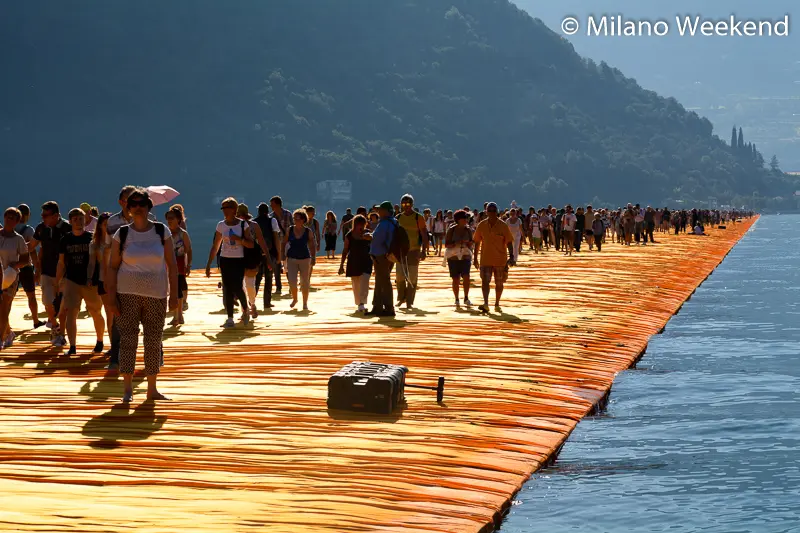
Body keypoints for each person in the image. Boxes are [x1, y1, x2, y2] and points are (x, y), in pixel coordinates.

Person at [106, 188, 178, 402]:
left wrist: (174, 295)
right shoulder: (123, 234)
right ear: (128, 208)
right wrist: (110, 297)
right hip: (127, 292)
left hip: (156, 294)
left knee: (154, 340)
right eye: (133, 204)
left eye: (142, 204)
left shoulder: (160, 231)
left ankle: (152, 388)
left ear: (148, 207)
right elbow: (112, 267)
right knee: (128, 339)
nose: (138, 207)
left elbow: (172, 265)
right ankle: (127, 389)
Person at [104, 185, 157, 368]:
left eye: (139, 201)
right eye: (130, 201)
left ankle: (157, 355)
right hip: (122, 276)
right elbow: (109, 250)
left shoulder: (151, 220)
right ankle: (115, 357)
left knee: (152, 322)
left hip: (148, 277)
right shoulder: (112, 223)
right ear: (122, 202)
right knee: (119, 318)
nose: (135, 204)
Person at [56, 208, 105, 356]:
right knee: (71, 312)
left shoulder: (92, 238)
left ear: (86, 220)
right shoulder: (65, 239)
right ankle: (72, 346)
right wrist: (57, 281)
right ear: (70, 221)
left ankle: (100, 340)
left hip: (91, 282)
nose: (79, 222)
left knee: (96, 311)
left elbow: (99, 260)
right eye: (75, 219)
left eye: (81, 219)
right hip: (72, 280)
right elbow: (61, 262)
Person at [29, 201, 72, 346]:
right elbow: (31, 246)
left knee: (62, 306)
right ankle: (55, 327)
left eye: (45, 215)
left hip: (64, 273)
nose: (42, 218)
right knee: (48, 301)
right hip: (46, 271)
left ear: (55, 215)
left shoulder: (67, 228)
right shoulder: (41, 228)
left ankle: (62, 333)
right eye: (42, 215)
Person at [206, 198, 254, 328]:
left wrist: (239, 240)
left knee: (237, 286)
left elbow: (251, 244)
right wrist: (209, 264)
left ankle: (245, 309)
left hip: (238, 259)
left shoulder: (243, 225)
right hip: (225, 259)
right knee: (227, 287)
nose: (224, 211)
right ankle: (230, 318)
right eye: (223, 209)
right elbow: (215, 245)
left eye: (226, 208)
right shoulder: (221, 225)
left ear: (234, 209)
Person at [473, 202, 514, 313]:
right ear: (486, 212)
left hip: (500, 260)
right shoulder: (481, 225)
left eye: (493, 210)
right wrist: (475, 258)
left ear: (497, 212)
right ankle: (486, 303)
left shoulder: (503, 225)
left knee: (499, 283)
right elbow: (477, 242)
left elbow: (509, 242)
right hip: (485, 259)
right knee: (485, 282)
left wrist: (512, 256)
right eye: (489, 210)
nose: (491, 213)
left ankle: (497, 303)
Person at [0, 207, 30, 349]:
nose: (8, 219)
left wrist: (15, 264)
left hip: (10, 277)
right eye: (7, 216)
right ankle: (9, 332)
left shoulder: (19, 239)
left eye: (12, 218)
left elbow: (25, 259)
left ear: (17, 221)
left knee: (5, 308)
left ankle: (0, 339)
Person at [395, 194, 428, 310]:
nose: (406, 206)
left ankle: (409, 301)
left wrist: (424, 250)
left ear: (412, 204)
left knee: (412, 277)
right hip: (400, 252)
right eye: (403, 204)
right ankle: (401, 298)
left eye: (408, 204)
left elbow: (424, 234)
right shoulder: (398, 217)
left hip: (414, 250)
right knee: (399, 276)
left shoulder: (418, 217)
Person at [236, 203, 270, 318]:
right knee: (240, 285)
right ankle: (244, 310)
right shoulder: (232, 225)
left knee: (250, 284)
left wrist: (268, 259)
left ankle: (252, 304)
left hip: (251, 257)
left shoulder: (254, 225)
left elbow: (262, 242)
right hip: (236, 257)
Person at [15, 204, 45, 329]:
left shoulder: (11, 228)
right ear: (27, 215)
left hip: (12, 266)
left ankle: (6, 324)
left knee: (8, 296)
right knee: (31, 295)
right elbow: (32, 250)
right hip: (26, 266)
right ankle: (35, 320)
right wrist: (37, 269)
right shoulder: (29, 230)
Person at [282, 208, 316, 310]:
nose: (296, 220)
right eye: (294, 218)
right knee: (292, 281)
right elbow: (283, 242)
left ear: (303, 219)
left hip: (305, 259)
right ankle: (295, 298)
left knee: (305, 282)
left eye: (298, 218)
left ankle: (305, 302)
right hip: (291, 258)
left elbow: (312, 245)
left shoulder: (307, 231)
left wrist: (313, 257)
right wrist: (282, 255)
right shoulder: (290, 230)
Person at [366, 201, 396, 317]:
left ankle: (388, 308)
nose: (378, 211)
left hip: (382, 256)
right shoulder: (391, 222)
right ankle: (377, 307)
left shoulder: (385, 223)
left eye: (380, 209)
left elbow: (379, 239)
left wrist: (369, 237)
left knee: (384, 282)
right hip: (385, 256)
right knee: (380, 282)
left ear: (386, 211)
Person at [338, 214, 373, 313]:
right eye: (359, 224)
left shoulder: (368, 234)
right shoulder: (349, 235)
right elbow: (345, 250)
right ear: (355, 224)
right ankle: (359, 303)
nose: (361, 226)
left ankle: (362, 303)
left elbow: (374, 243)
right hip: (353, 261)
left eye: (363, 224)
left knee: (365, 281)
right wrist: (341, 265)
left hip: (366, 261)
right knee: (356, 283)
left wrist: (370, 238)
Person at [165, 207, 192, 325]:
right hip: (167, 264)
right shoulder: (166, 233)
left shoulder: (183, 234)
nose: (169, 221)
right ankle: (178, 315)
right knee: (172, 288)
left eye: (172, 218)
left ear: (178, 219)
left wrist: (188, 265)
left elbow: (189, 250)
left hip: (179, 263)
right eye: (167, 218)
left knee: (178, 288)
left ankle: (178, 315)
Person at [89, 213, 113, 347]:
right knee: (109, 313)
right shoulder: (95, 244)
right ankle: (113, 344)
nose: (108, 227)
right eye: (105, 224)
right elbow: (92, 264)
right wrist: (89, 278)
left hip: (119, 281)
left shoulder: (118, 240)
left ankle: (118, 344)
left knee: (117, 315)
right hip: (103, 281)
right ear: (100, 227)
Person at [253, 202, 279, 309]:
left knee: (257, 278)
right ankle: (267, 303)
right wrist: (279, 254)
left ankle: (251, 301)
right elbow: (276, 238)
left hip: (256, 254)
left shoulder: (253, 222)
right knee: (268, 278)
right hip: (270, 252)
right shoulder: (272, 221)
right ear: (267, 211)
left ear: (258, 211)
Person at [444, 210, 473, 307]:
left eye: (466, 218)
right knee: (455, 279)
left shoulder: (468, 230)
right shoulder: (451, 230)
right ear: (458, 220)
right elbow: (447, 244)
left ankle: (466, 297)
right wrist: (455, 244)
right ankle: (456, 298)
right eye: (463, 218)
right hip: (453, 257)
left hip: (465, 255)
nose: (465, 220)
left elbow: (471, 243)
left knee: (466, 277)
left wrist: (467, 243)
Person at [270, 196, 293, 295]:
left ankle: (291, 286)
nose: (271, 206)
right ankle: (278, 288)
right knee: (276, 266)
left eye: (272, 204)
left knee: (288, 266)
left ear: (277, 204)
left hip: (287, 243)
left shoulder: (288, 214)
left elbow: (293, 228)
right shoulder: (270, 217)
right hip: (276, 244)